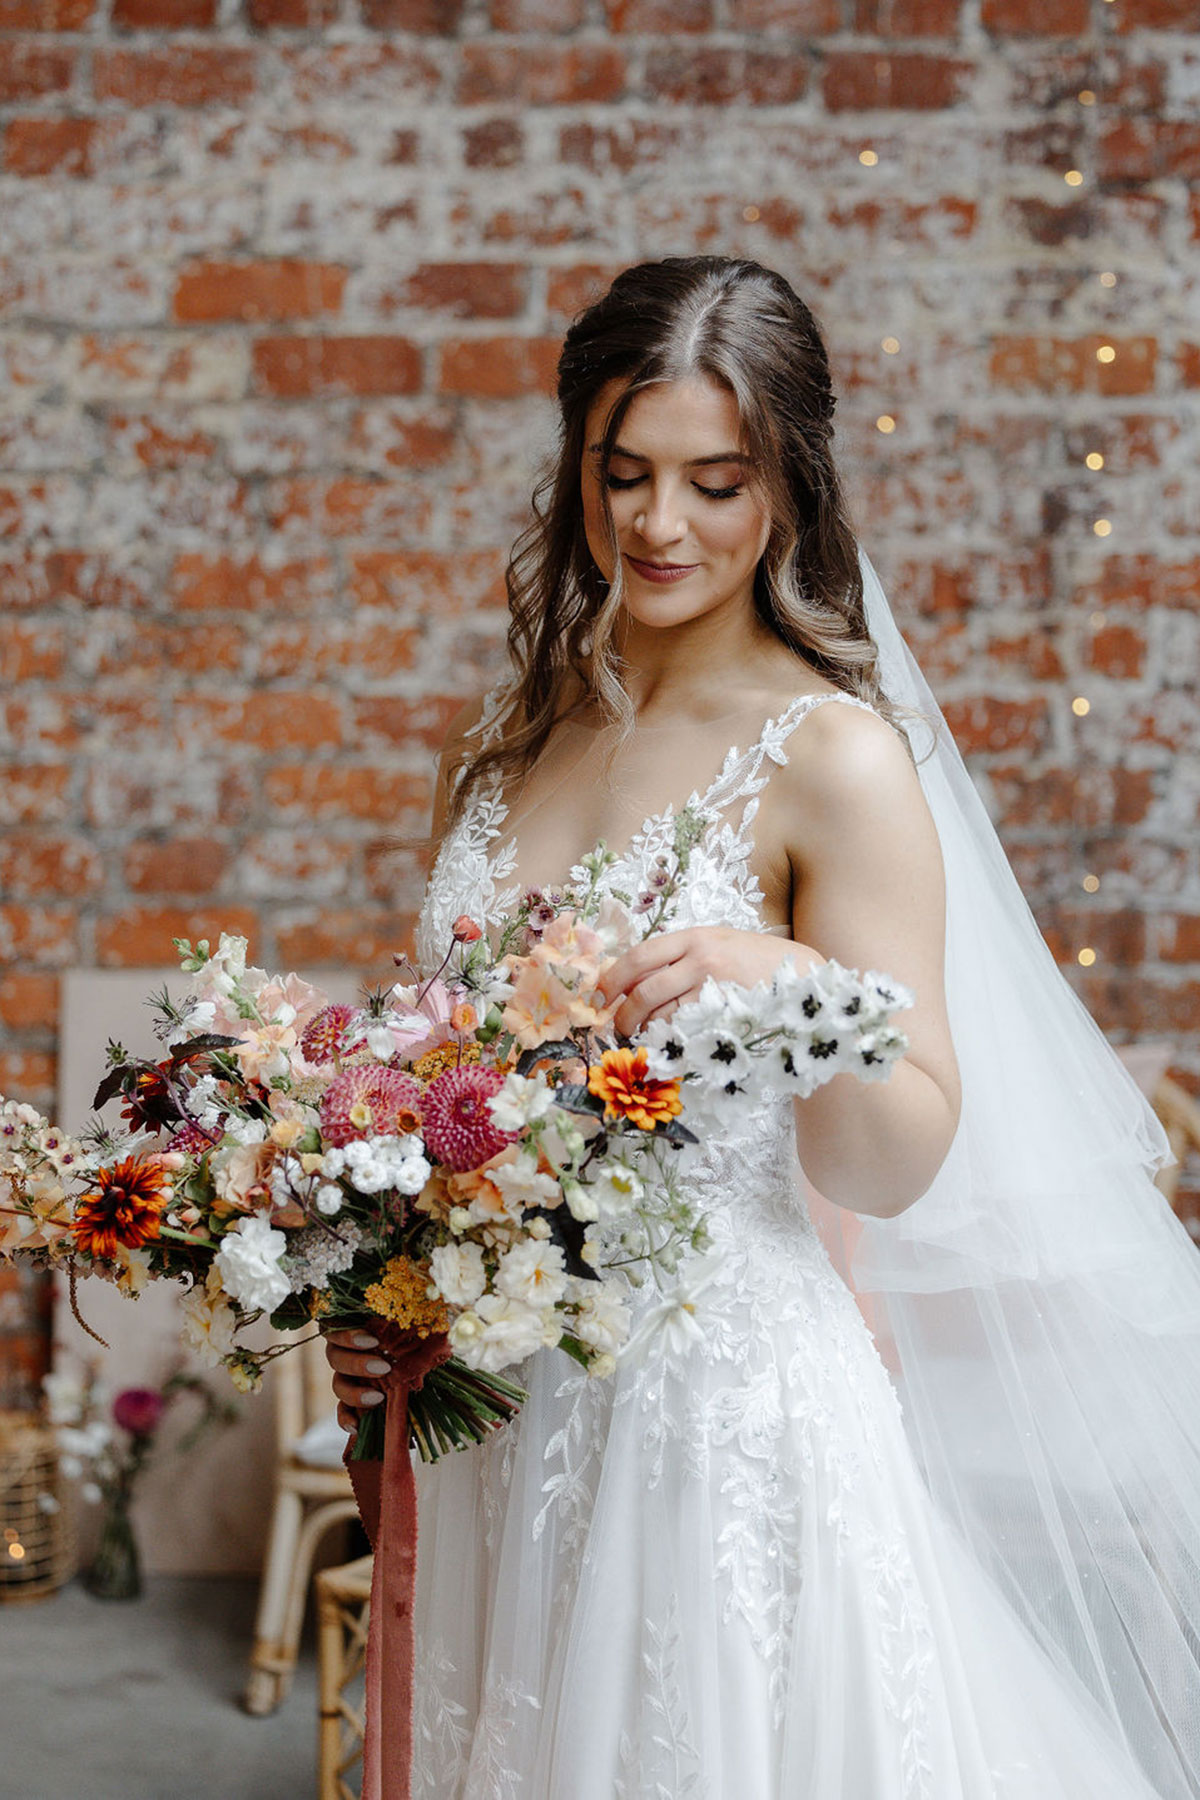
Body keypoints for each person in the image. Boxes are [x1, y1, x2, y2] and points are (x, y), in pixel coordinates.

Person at [326, 256, 1200, 1798]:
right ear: (577, 470)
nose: (662, 526)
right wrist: (387, 1277)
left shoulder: (836, 759)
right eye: (625, 474)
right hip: (501, 1415)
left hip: (709, 1416)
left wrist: (791, 997)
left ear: (788, 487)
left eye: (715, 482)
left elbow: (897, 1158)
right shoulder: (504, 746)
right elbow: (452, 1086)